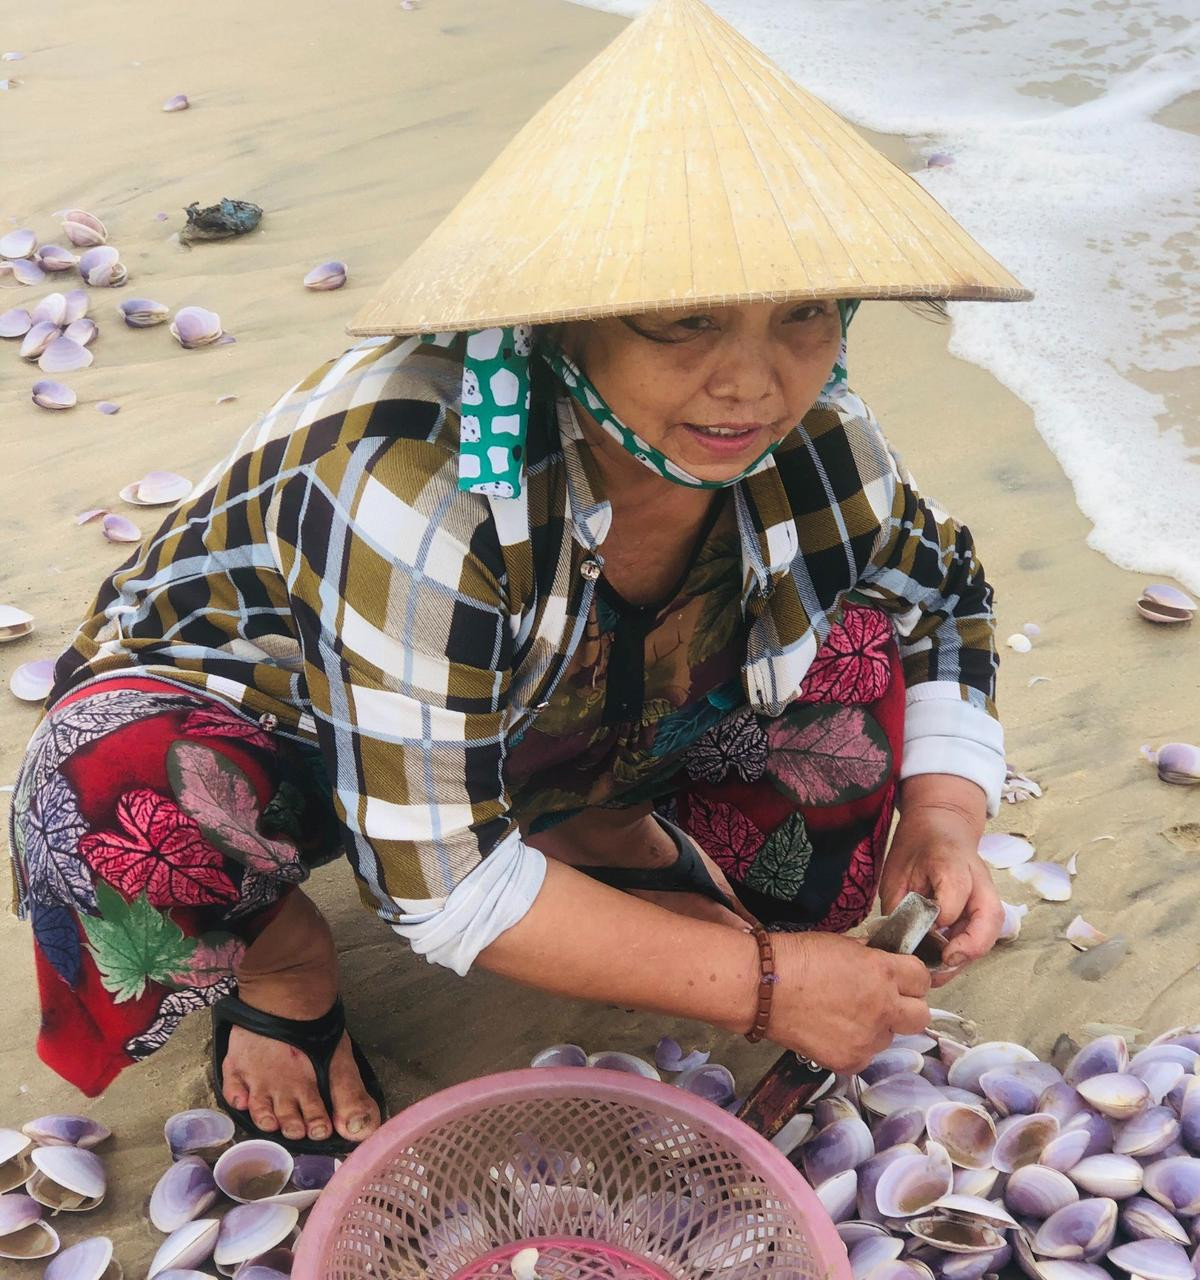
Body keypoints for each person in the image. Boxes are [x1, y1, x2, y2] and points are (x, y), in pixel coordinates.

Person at [8, 0, 1029, 1155]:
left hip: (531, 704)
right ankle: (285, 968)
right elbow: (437, 884)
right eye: (685, 318)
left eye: (803, 313)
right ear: (564, 322)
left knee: (851, 653)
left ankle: (591, 834)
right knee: (114, 792)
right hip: (269, 719)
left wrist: (944, 818)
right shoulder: (412, 478)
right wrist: (760, 983)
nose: (754, 383)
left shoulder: (815, 436)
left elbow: (943, 597)